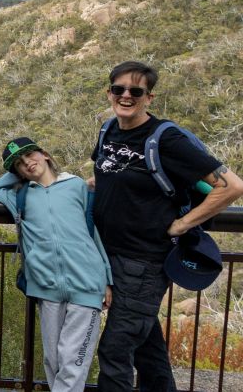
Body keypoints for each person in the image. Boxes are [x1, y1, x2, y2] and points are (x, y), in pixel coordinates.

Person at [91, 61, 243, 392]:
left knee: (115, 350)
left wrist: (183, 224)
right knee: (147, 349)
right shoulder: (108, 131)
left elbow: (231, 186)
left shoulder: (166, 139)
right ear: (109, 93)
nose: (126, 96)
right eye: (119, 89)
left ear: (149, 97)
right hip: (108, 257)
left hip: (143, 262)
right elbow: (105, 174)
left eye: (136, 91)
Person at [0, 136, 112, 392]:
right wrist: (16, 176)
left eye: (30, 155)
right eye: (19, 164)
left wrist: (107, 279)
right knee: (53, 360)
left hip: (87, 284)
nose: (27, 163)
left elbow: (94, 234)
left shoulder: (76, 185)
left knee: (73, 360)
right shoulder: (19, 196)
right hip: (46, 287)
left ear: (45, 154)